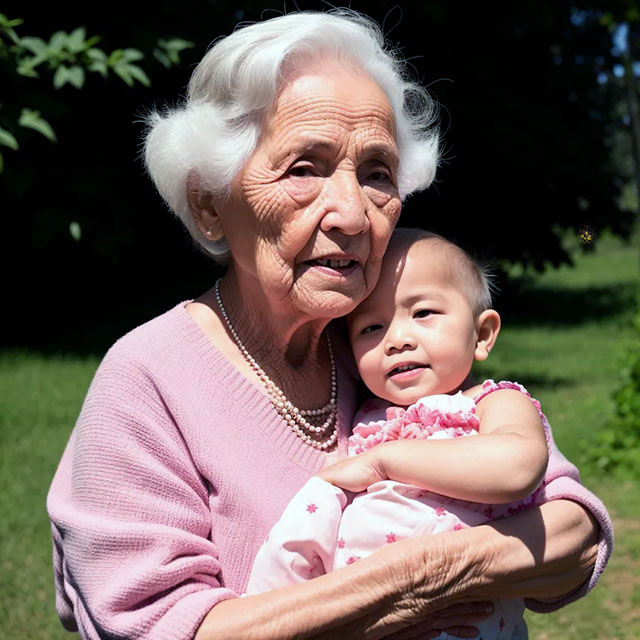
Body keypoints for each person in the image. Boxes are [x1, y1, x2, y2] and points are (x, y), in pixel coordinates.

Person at [47, 10, 612, 640]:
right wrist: (402, 585)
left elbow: (575, 533)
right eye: (304, 169)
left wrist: (454, 563)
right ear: (209, 204)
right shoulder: (147, 379)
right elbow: (158, 627)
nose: (350, 212)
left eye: (376, 173)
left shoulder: (379, 341)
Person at [244, 229, 579, 639]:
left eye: (422, 314)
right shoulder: (362, 418)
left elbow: (518, 467)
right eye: (371, 328)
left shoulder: (492, 403)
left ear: (484, 334)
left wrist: (385, 461)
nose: (397, 340)